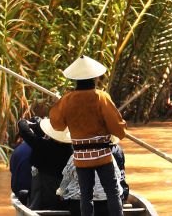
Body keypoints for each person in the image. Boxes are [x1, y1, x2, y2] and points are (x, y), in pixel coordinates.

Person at [48, 56, 130, 216]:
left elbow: (57, 125)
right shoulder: (101, 97)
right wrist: (121, 128)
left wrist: (62, 105)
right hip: (102, 156)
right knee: (112, 192)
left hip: (81, 157)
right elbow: (118, 129)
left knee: (86, 196)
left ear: (75, 80)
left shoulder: (67, 100)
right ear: (94, 77)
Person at [16, 115, 74, 209]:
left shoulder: (44, 146)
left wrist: (24, 122)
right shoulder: (70, 149)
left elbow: (24, 130)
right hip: (62, 196)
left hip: (43, 194)